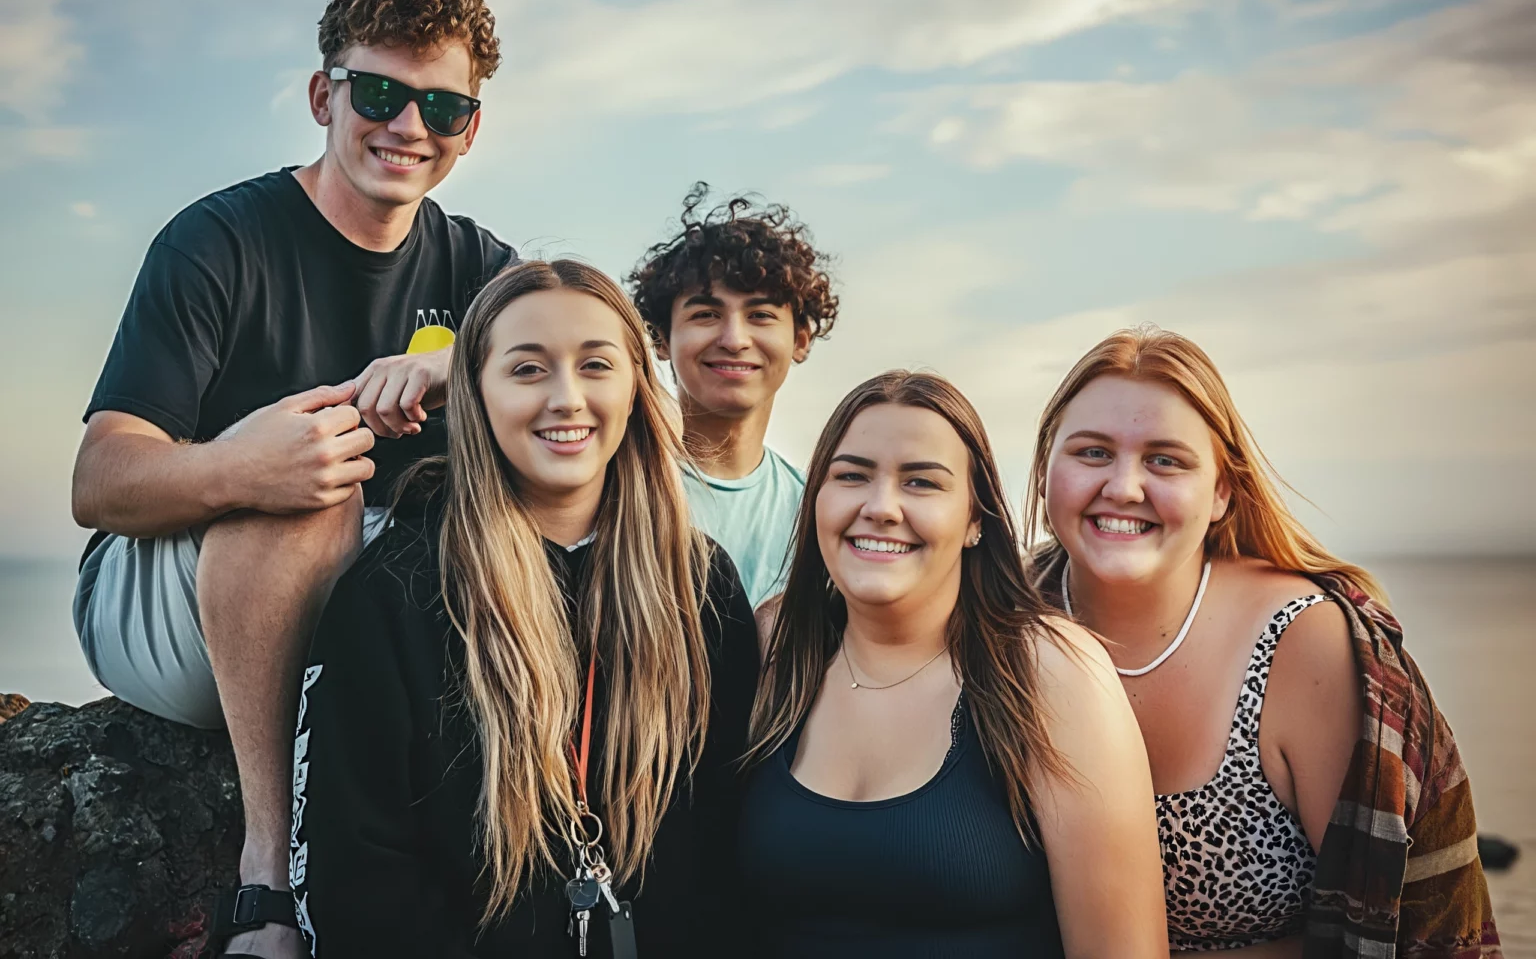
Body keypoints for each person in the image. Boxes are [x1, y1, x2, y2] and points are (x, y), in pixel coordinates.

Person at [68, 0, 513, 956]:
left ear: (469, 128)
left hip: (353, 615)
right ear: (325, 95)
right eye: (383, 94)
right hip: (168, 607)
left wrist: (462, 374)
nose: (408, 127)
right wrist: (244, 467)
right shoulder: (218, 241)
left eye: (440, 105)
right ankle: (268, 884)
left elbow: (588, 393)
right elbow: (99, 480)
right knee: (321, 471)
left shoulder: (484, 273)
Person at [290, 260, 760, 957]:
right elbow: (353, 874)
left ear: (636, 387)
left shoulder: (701, 586)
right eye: (528, 370)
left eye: (596, 365)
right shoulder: (398, 589)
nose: (566, 398)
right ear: (477, 393)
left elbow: (735, 841)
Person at [1024, 326, 1501, 958]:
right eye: (1091, 453)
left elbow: (1392, 924)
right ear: (1044, 470)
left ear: (1222, 491)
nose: (1123, 487)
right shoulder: (1001, 621)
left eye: (1165, 459)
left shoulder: (1306, 644)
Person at [738, 370, 1168, 958]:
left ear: (974, 521)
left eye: (920, 482)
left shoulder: (1050, 672)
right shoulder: (773, 647)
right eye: (852, 476)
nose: (881, 507)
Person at [627, 183, 839, 614]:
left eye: (761, 316)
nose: (734, 339)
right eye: (705, 315)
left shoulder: (819, 513)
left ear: (800, 340)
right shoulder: (616, 484)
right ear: (661, 338)